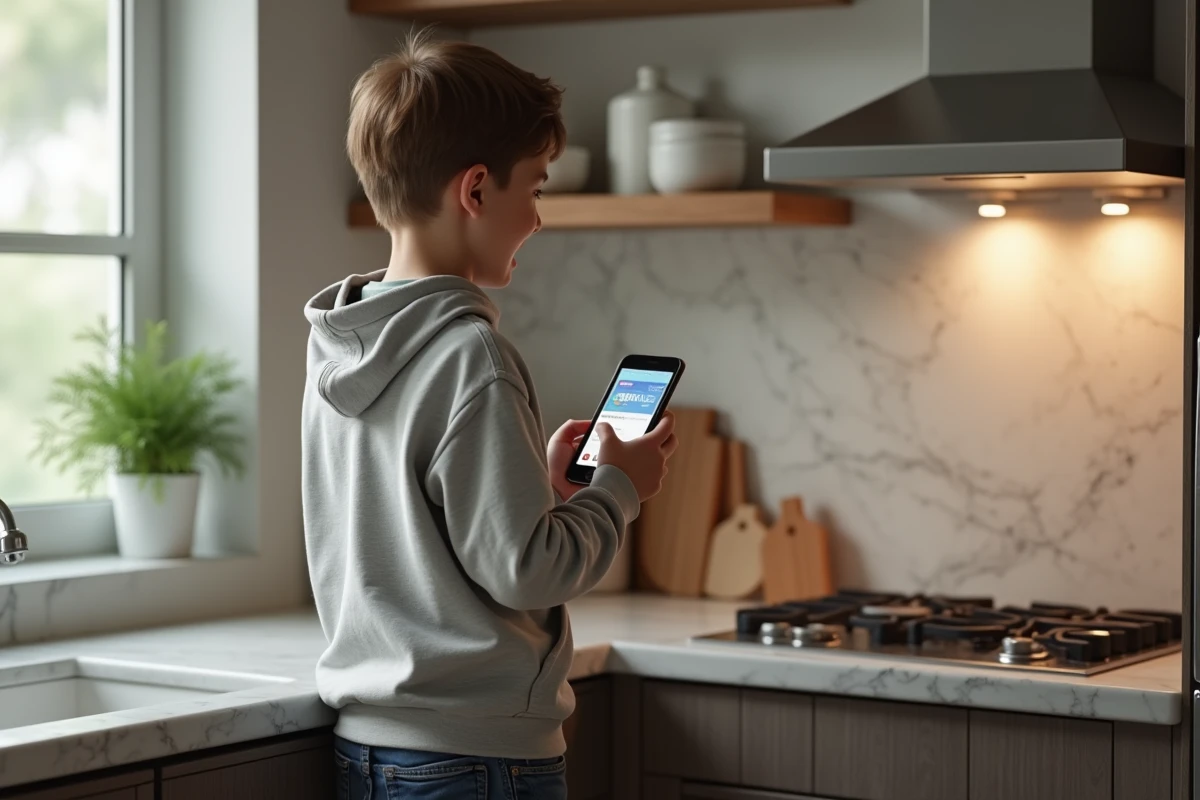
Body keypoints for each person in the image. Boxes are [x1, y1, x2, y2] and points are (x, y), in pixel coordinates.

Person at [301, 31, 678, 800]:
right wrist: (619, 488)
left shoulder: (340, 345)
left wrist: (536, 488)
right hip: (476, 758)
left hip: (371, 749)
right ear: (476, 191)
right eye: (535, 187)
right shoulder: (472, 353)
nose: (538, 218)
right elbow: (527, 572)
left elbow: (423, 532)